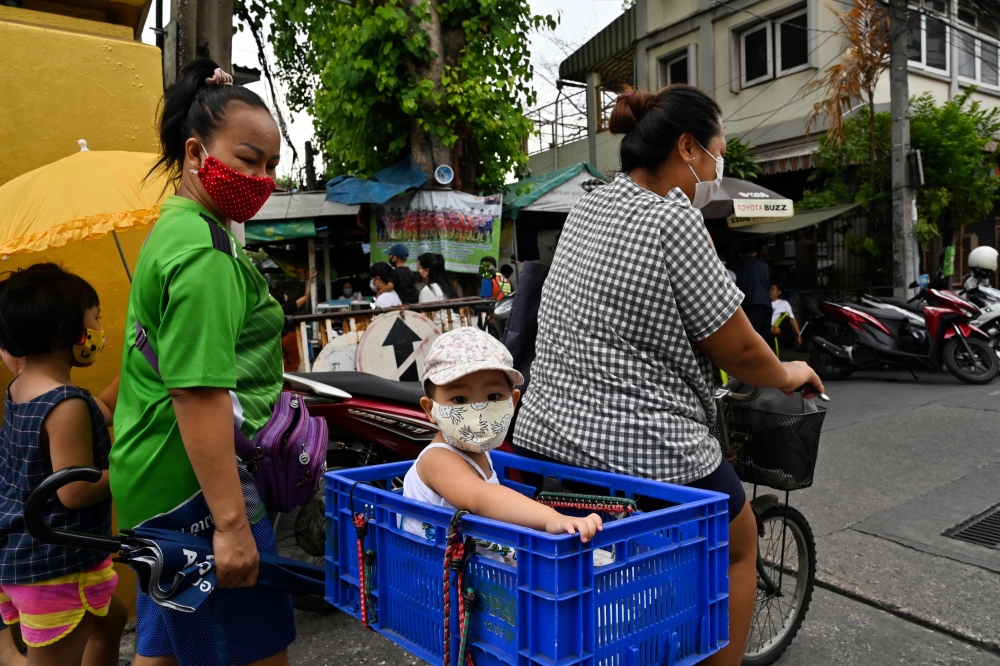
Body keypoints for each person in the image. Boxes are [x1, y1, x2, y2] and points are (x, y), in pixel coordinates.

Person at [513, 84, 824, 666]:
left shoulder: (589, 205)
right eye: (717, 153)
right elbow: (741, 351)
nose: (717, 168)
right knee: (739, 544)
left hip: (546, 436)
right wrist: (788, 372)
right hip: (642, 446)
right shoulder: (673, 217)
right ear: (687, 147)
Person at [111, 59, 296, 666]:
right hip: (197, 493)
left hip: (155, 479)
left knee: (164, 647)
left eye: (271, 165)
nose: (262, 178)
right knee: (254, 651)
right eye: (248, 160)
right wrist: (231, 526)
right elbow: (197, 393)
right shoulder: (204, 255)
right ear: (196, 154)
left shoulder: (177, 226)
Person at [0, 263, 127, 666]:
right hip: (56, 566)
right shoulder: (66, 402)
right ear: (64, 330)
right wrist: (129, 469)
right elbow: (72, 491)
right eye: (96, 319)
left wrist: (140, 367)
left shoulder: (23, 388)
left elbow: (102, 408)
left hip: (23, 550)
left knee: (113, 622)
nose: (99, 332)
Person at [402, 328, 602, 558]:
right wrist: (552, 518)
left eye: (493, 397)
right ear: (430, 409)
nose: (478, 409)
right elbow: (480, 497)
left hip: (478, 571)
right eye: (459, 399)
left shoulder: (480, 450)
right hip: (437, 578)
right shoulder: (438, 459)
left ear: (513, 401)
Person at [272, 270, 317, 372]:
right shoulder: (289, 308)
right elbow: (306, 296)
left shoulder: (272, 310)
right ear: (283, 297)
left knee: (283, 364)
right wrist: (309, 280)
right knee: (294, 363)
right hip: (290, 337)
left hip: (278, 339)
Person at [733, 241, 773, 342]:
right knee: (764, 338)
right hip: (767, 303)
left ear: (741, 254)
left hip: (752, 303)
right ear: (755, 253)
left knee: (753, 337)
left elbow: (741, 285)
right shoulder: (764, 265)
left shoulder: (742, 264)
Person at [770, 283, 802, 349]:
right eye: (769, 289)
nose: (770, 291)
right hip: (759, 325)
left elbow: (792, 319)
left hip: (769, 327)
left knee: (777, 330)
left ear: (779, 292)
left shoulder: (783, 303)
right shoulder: (764, 302)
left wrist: (798, 335)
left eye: (773, 289)